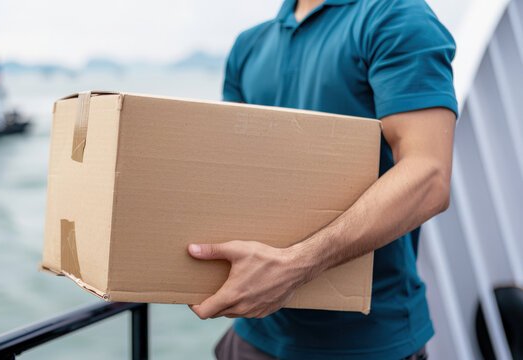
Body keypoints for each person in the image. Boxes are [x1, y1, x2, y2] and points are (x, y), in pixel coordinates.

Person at [186, 0, 457, 359]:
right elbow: (237, 177)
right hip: (255, 332)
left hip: (368, 340)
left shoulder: (394, 16)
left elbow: (429, 177)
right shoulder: (248, 45)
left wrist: (294, 267)